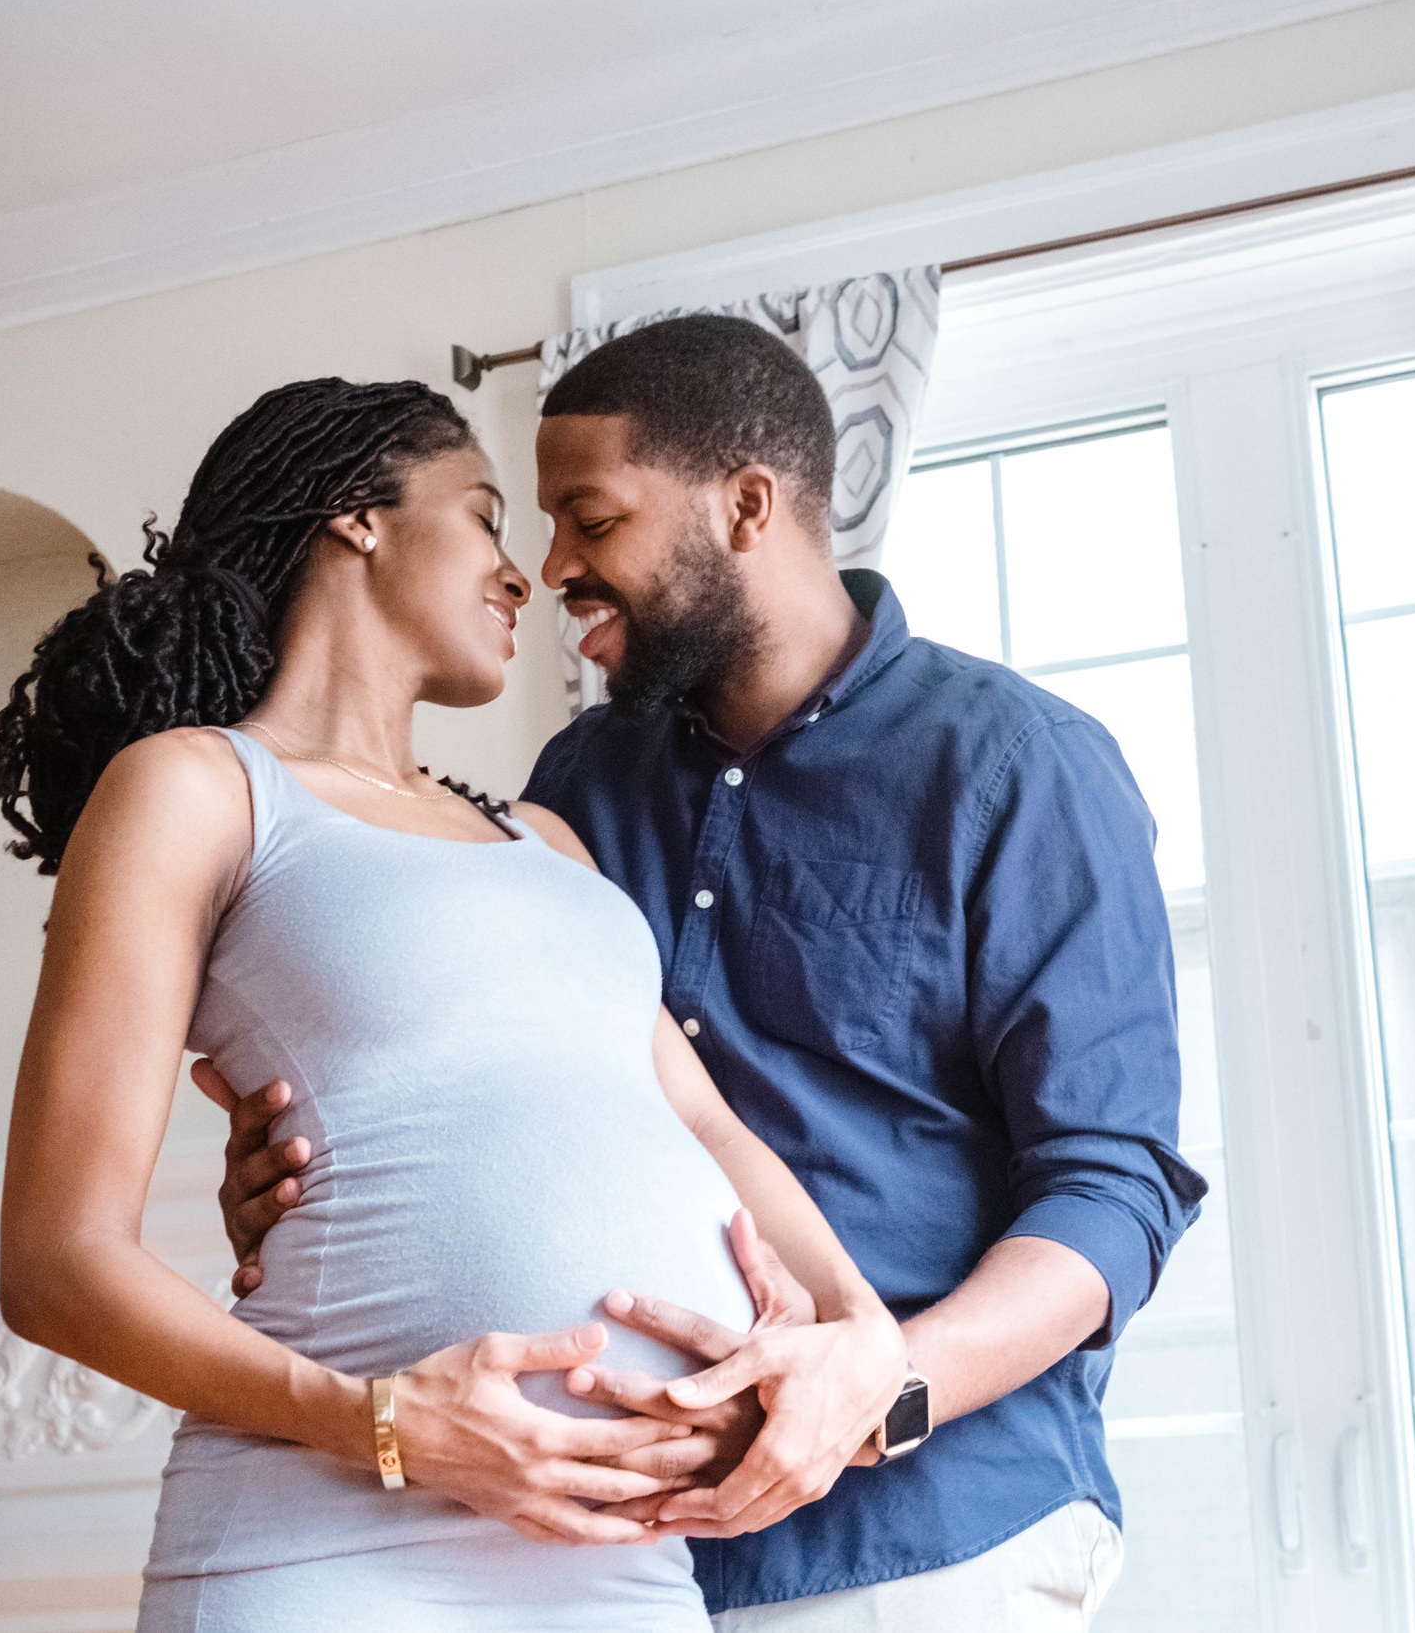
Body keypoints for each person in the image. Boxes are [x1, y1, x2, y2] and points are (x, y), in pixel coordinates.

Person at [215, 318, 1207, 1629]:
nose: (554, 565)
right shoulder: (567, 790)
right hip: (588, 1555)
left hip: (920, 1537)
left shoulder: (1021, 767)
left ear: (746, 504)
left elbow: (1108, 1188)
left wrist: (883, 1381)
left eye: (590, 516)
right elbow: (516, 1085)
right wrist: (308, 1169)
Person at [0, 376, 907, 1633]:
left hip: (622, 1564)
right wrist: (387, 1426)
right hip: (332, 1555)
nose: (525, 571)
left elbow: (705, 1127)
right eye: (483, 514)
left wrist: (862, 1333)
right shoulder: (196, 789)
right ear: (357, 515)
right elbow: (56, 1265)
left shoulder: (544, 838)